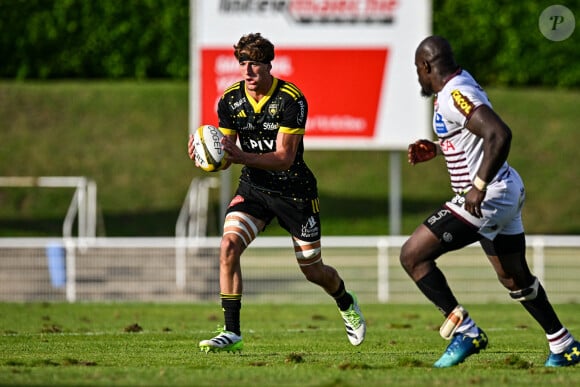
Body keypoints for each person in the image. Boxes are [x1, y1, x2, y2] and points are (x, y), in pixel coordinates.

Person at [402, 35, 580, 368]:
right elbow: (473, 134)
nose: (418, 77)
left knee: (413, 255)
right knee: (515, 278)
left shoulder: (455, 94)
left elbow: (499, 133)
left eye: (417, 70)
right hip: (506, 190)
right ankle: (564, 344)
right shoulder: (460, 84)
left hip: (489, 196)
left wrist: (478, 185)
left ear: (426, 66)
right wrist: (440, 148)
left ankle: (466, 333)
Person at [188, 32, 365, 353]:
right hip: (254, 189)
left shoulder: (291, 100)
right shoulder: (230, 100)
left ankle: (345, 301)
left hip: (295, 193)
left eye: (254, 65)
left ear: (269, 65)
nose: (247, 72)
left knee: (312, 270)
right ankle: (231, 332)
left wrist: (240, 156)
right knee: (228, 246)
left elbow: (284, 158)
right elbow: (227, 157)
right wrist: (207, 158)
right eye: (242, 64)